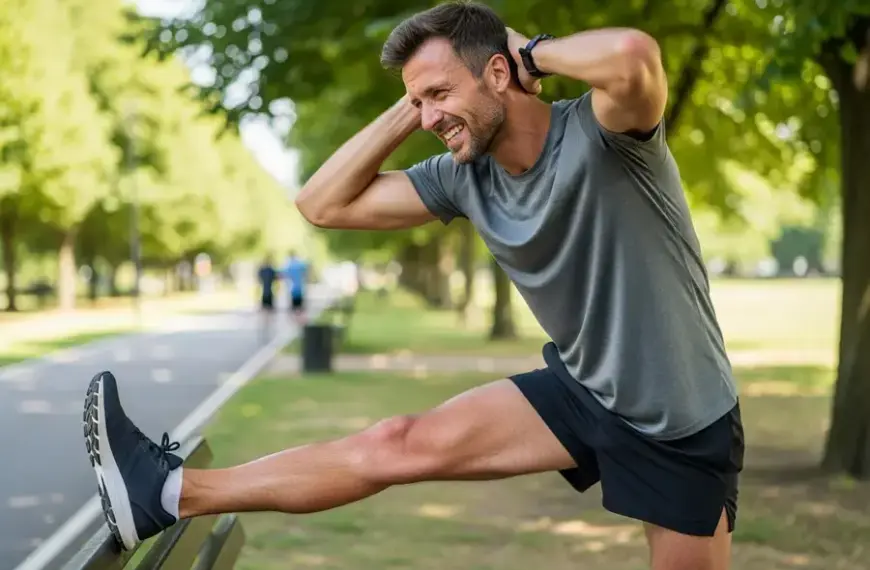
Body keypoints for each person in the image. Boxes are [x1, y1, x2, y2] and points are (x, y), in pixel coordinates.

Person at [81, 3, 743, 569]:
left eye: (438, 94)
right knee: (395, 440)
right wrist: (413, 107)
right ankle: (166, 494)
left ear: (498, 72)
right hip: (585, 387)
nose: (428, 117)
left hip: (679, 420)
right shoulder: (462, 178)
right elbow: (321, 204)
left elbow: (632, 52)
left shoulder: (606, 133)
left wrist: (532, 54)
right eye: (417, 100)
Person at [282, 249, 309, 318]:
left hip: (292, 288)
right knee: (300, 307)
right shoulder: (300, 263)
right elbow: (306, 273)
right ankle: (299, 321)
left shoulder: (288, 264)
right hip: (300, 288)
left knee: (294, 307)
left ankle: (295, 320)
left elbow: (284, 275)